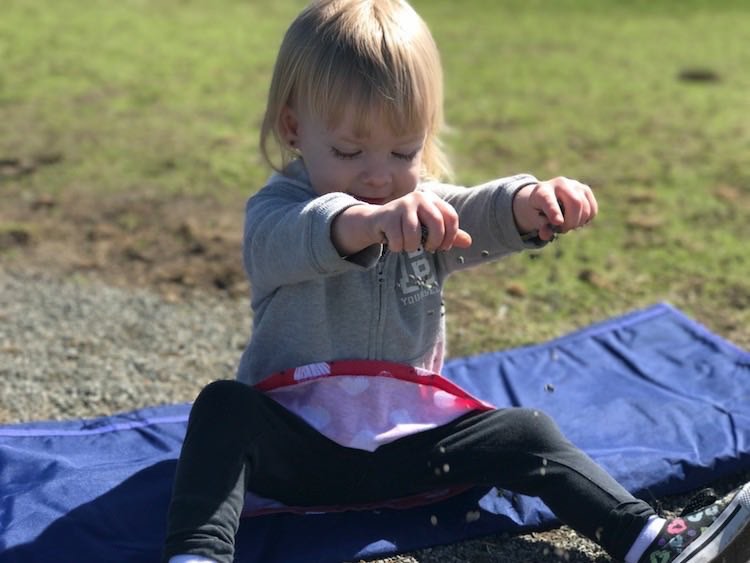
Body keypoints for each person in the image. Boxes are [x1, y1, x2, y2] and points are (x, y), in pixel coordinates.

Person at [162, 1, 750, 562]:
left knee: (526, 429)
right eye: (348, 150)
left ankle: (648, 538)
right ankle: (199, 553)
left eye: (403, 151)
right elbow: (300, 237)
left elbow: (480, 210)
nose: (378, 175)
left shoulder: (419, 205)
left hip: (413, 452)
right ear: (294, 128)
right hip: (296, 454)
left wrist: (531, 203)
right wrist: (369, 222)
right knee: (221, 407)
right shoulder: (275, 211)